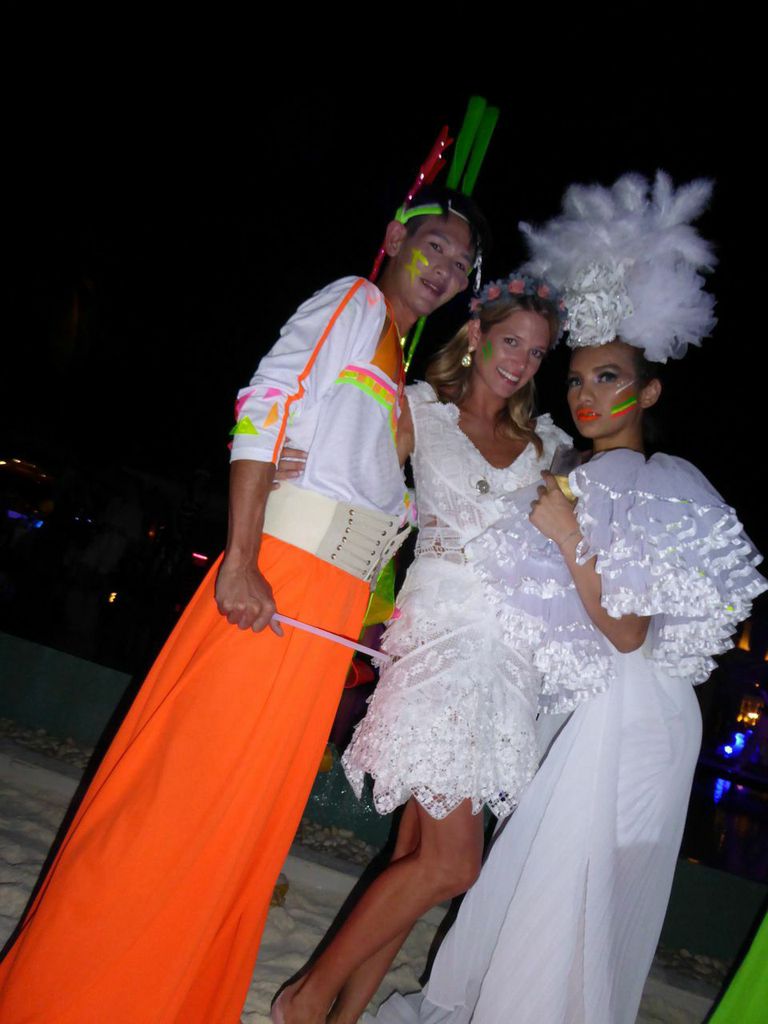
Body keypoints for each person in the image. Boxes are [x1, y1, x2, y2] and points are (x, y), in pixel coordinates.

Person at [0, 186, 486, 1024]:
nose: (445, 267)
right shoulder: (354, 300)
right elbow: (265, 401)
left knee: (240, 821)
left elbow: (349, 480)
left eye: (461, 261)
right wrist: (242, 555)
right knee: (181, 801)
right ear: (395, 237)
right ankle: (71, 995)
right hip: (279, 588)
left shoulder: (396, 361)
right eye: (434, 245)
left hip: (324, 616)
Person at [366, 174, 767, 1024]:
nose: (586, 396)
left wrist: (567, 536)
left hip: (635, 712)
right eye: (577, 378)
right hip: (585, 703)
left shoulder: (657, 481)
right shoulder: (574, 468)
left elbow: (627, 631)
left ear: (648, 392)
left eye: (609, 377)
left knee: (568, 898)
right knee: (536, 890)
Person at [274, 271, 571, 1024]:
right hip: (438, 645)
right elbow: (349, 463)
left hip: (507, 665)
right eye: (510, 341)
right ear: (475, 335)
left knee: (416, 857)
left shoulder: (548, 447)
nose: (520, 362)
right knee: (451, 864)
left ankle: (343, 1017)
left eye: (536, 352)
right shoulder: (419, 410)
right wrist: (287, 461)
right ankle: (303, 1000)